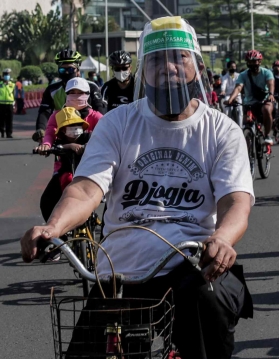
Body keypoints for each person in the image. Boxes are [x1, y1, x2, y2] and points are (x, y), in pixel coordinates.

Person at [21, 16, 253, 359]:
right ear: (143, 70)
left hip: (189, 264)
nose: (169, 67)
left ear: (198, 67)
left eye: (180, 57)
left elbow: (236, 203)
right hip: (118, 271)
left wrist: (221, 239)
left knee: (209, 304)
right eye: (157, 59)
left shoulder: (221, 131)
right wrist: (52, 227)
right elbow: (85, 190)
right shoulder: (118, 123)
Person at [34, 78, 103, 221]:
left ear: (88, 95)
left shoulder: (96, 117)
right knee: (47, 202)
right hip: (65, 166)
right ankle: (60, 238)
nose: (76, 96)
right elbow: (50, 132)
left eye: (80, 93)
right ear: (66, 95)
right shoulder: (58, 115)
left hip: (92, 167)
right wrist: (46, 145)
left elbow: (107, 135)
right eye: (72, 93)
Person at [33, 49, 105, 142]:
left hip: (88, 135)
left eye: (70, 69)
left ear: (78, 70)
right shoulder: (51, 90)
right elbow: (44, 112)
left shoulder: (91, 87)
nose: (67, 73)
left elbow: (99, 108)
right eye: (63, 70)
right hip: (63, 135)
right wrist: (41, 130)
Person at [225, 49, 275, 144]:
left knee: (267, 109)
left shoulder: (267, 72)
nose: (253, 64)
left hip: (264, 101)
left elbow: (270, 84)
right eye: (250, 62)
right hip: (249, 103)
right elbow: (238, 88)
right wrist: (230, 99)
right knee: (247, 122)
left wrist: (271, 94)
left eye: (255, 61)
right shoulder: (243, 75)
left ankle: (267, 135)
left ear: (259, 61)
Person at [0, 68, 15, 138]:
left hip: (10, 104)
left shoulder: (12, 84)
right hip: (1, 104)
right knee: (1, 119)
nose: (7, 76)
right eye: (6, 74)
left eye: (8, 74)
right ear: (3, 75)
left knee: (9, 119)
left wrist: (15, 104)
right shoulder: (0, 84)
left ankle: (9, 133)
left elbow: (14, 94)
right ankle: (2, 132)